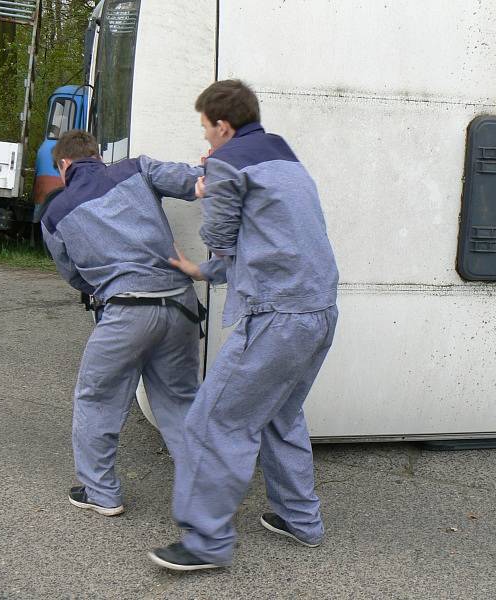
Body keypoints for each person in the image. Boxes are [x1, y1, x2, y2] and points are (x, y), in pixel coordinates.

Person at [148, 80, 340, 570]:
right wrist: (204, 271)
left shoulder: (227, 160)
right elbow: (271, 237)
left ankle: (205, 542)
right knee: (279, 413)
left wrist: (207, 185)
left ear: (223, 125)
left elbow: (219, 232)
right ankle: (301, 519)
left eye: (206, 130)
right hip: (318, 311)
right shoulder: (284, 157)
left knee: (214, 420)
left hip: (278, 316)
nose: (206, 140)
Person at [41, 130, 203, 517]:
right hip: (180, 305)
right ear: (96, 155)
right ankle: (205, 498)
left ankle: (101, 493)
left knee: (98, 398)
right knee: (180, 402)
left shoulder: (55, 213)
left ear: (64, 166)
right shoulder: (138, 169)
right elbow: (194, 182)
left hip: (127, 310)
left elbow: (75, 274)